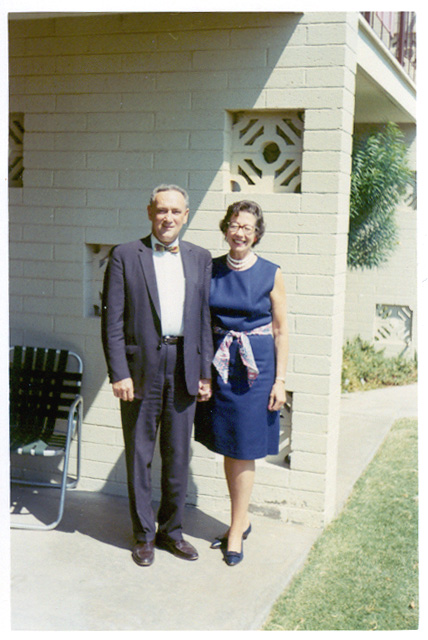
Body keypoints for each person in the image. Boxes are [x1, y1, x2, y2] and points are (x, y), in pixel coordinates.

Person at [101, 184, 213, 567]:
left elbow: (203, 319)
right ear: (150, 212)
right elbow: (112, 322)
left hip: (184, 365)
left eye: (175, 211)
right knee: (140, 454)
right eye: (161, 210)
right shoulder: (125, 255)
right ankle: (144, 535)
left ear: (186, 215)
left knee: (178, 455)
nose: (168, 218)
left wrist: (204, 373)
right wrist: (119, 372)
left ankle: (172, 531)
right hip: (139, 370)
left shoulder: (200, 258)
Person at [194, 199, 288, 566]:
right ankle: (241, 519)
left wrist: (280, 381)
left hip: (256, 370)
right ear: (225, 229)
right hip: (221, 365)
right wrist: (203, 373)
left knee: (245, 448)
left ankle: (236, 530)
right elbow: (202, 323)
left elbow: (280, 330)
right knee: (228, 445)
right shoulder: (211, 269)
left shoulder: (271, 273)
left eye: (247, 227)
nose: (240, 232)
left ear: (257, 234)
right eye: (234, 225)